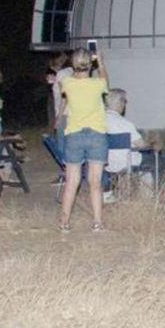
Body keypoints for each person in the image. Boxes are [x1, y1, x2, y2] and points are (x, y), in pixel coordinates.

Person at [58, 48, 110, 232]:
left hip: (74, 134)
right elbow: (106, 81)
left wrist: (79, 63)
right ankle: (97, 222)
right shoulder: (98, 84)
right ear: (91, 64)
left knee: (72, 180)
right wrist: (100, 62)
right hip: (96, 134)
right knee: (95, 181)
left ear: (73, 64)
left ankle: (64, 222)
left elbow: (70, 79)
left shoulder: (67, 82)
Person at [104, 88, 160, 188]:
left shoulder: (98, 121)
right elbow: (141, 145)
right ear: (120, 102)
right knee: (160, 161)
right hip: (127, 162)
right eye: (124, 101)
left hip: (107, 164)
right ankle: (157, 194)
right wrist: (153, 144)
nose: (125, 105)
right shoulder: (125, 124)